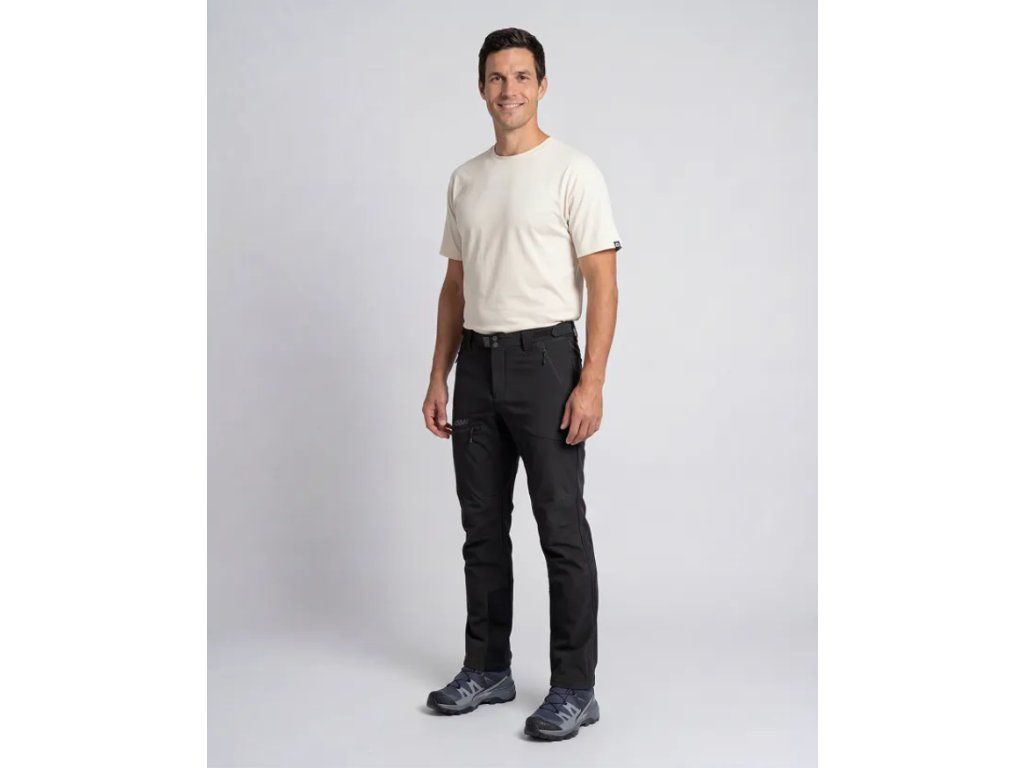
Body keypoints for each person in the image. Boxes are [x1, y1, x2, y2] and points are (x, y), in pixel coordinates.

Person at [421, 27, 622, 742]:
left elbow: (603, 282)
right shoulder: (465, 179)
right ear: (481, 88)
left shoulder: (573, 171)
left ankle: (575, 686)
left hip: (546, 362)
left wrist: (591, 381)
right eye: (497, 77)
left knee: (561, 528)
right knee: (481, 527)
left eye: (522, 76)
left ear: (542, 85)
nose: (509, 89)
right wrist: (439, 375)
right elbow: (455, 286)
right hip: (477, 364)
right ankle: (487, 667)